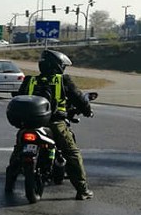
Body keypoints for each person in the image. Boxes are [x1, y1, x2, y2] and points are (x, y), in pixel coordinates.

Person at [9, 49, 94, 200]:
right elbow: (79, 99)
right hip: (55, 123)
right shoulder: (63, 80)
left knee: (18, 151)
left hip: (29, 124)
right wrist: (87, 110)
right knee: (72, 153)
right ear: (58, 66)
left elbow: (19, 98)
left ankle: (9, 183)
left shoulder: (30, 80)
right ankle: (82, 189)